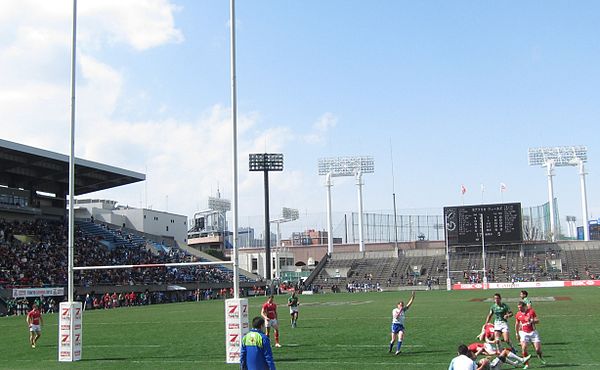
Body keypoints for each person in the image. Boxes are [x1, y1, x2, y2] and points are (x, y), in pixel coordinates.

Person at [514, 301, 545, 368]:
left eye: (521, 307)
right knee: (524, 348)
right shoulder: (518, 314)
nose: (519, 309)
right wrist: (516, 333)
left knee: (538, 350)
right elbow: (517, 324)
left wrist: (531, 321)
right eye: (518, 308)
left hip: (533, 332)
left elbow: (537, 321)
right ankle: (527, 364)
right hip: (523, 333)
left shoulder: (531, 312)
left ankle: (540, 356)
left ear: (524, 306)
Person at [389, 290, 415, 355]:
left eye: (402, 305)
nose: (401, 306)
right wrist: (400, 310)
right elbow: (396, 317)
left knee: (400, 337)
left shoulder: (403, 310)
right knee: (393, 340)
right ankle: (390, 349)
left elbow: (409, 304)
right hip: (395, 325)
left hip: (401, 326)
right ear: (397, 305)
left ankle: (397, 350)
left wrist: (413, 296)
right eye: (400, 305)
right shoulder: (394, 310)